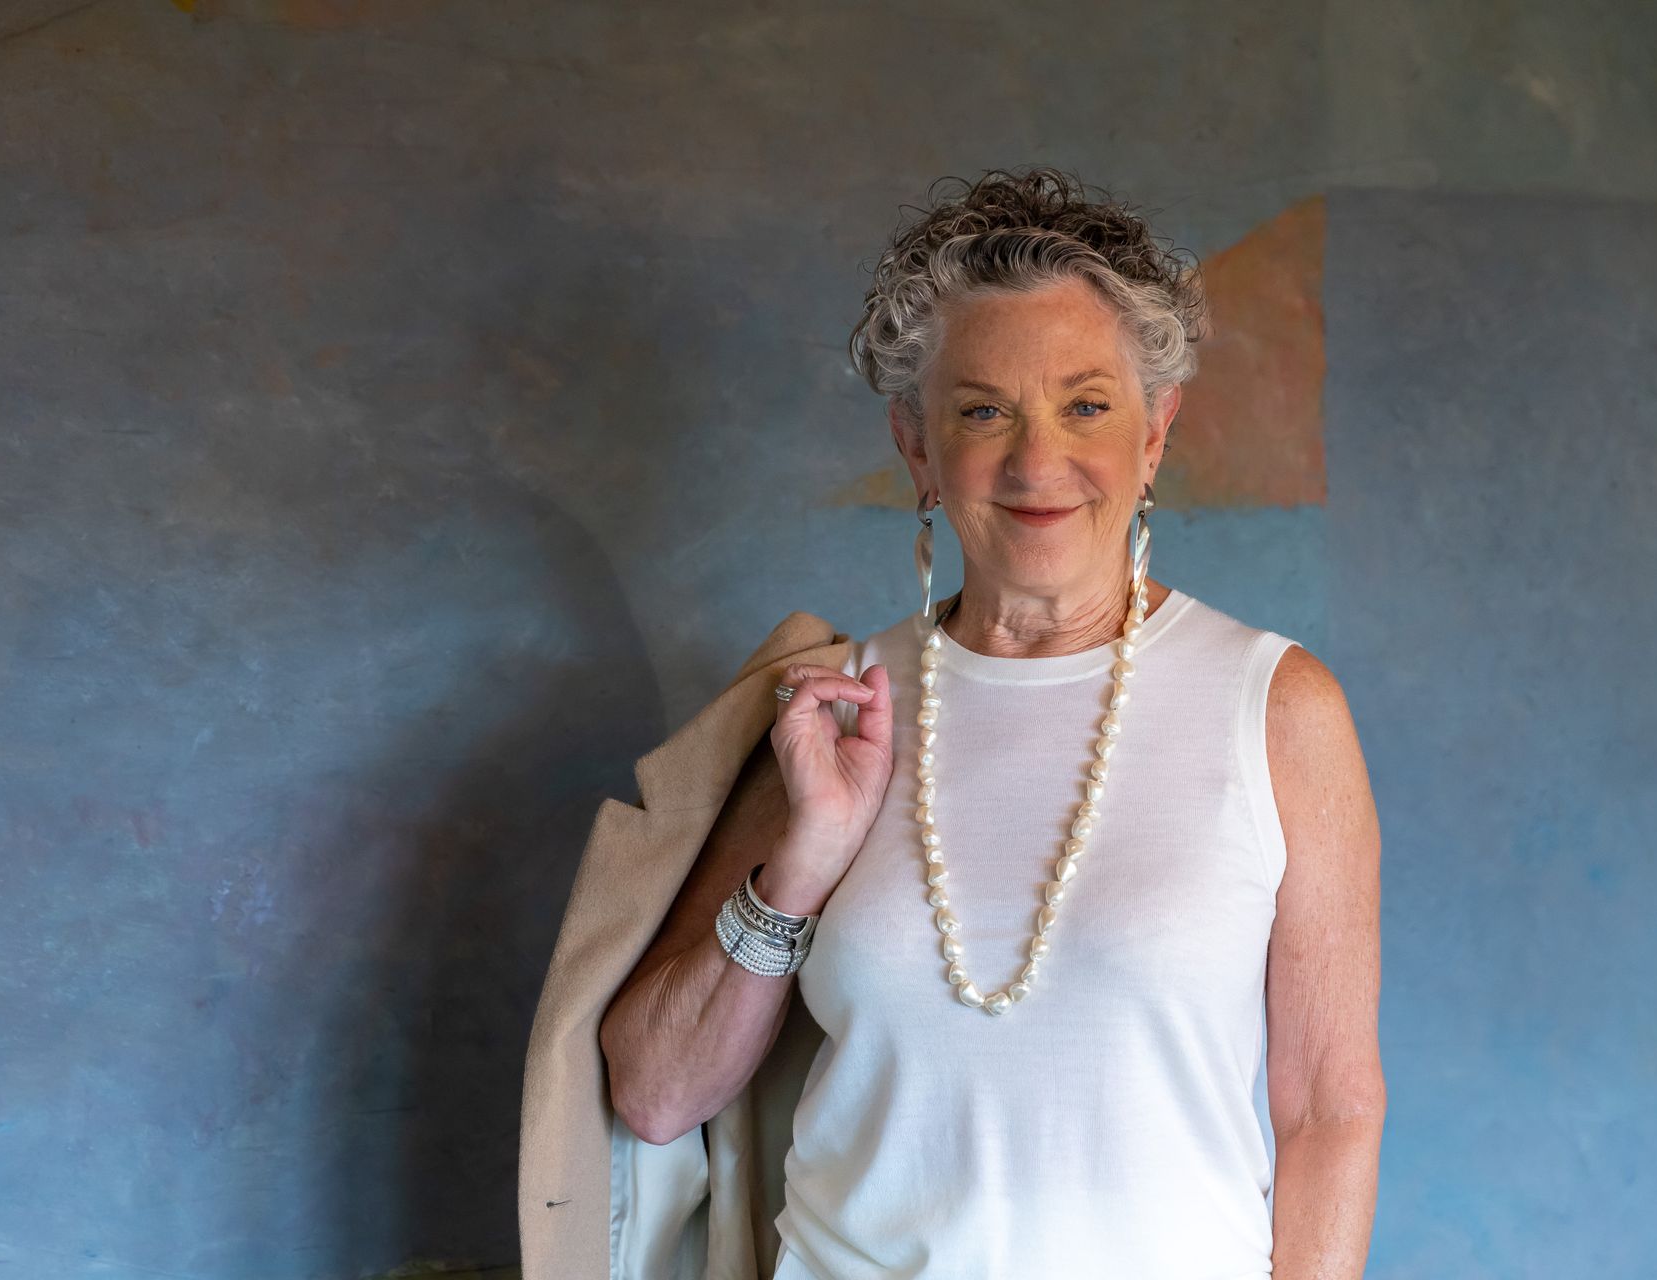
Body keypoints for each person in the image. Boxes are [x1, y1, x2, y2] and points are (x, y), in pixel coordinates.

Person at [592, 167, 1385, 1277]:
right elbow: (655, 1091)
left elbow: (1330, 1112)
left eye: (1086, 405)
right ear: (917, 449)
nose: (1036, 461)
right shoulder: (834, 710)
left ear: (1155, 435)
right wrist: (802, 862)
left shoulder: (1279, 708)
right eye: (982, 410)